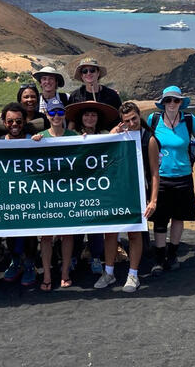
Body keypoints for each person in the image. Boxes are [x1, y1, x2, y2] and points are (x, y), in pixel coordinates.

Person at [94, 101, 160, 292]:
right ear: (122, 122)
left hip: (138, 192)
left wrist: (153, 200)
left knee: (134, 234)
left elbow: (155, 173)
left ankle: (133, 275)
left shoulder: (150, 139)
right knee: (111, 233)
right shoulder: (119, 136)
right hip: (116, 191)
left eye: (134, 118)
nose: (132, 123)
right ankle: (109, 273)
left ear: (139, 115)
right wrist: (113, 135)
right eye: (127, 120)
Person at [147, 86, 195, 276]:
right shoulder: (153, 120)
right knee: (160, 220)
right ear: (162, 103)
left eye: (175, 100)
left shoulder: (189, 120)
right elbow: (141, 141)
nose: (171, 104)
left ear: (181, 102)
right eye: (168, 100)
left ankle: (173, 254)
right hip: (160, 178)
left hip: (184, 177)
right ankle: (159, 259)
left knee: (178, 218)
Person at [64, 100, 117, 275]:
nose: (90, 118)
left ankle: (95, 258)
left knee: (96, 226)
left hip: (98, 187)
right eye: (86, 115)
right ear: (81, 118)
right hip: (76, 187)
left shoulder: (105, 134)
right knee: (77, 225)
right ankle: (74, 257)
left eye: (93, 115)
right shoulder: (70, 135)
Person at [32, 98, 79, 290]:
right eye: (53, 113)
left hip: (67, 193)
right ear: (47, 115)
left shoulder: (73, 136)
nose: (56, 116)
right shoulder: (39, 137)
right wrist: (31, 143)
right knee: (46, 237)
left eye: (60, 112)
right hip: (45, 194)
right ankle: (48, 275)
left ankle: (65, 272)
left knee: (67, 236)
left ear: (64, 115)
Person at [0, 102, 39, 286]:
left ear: (24, 121)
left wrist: (41, 142)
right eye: (10, 121)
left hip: (30, 196)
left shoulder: (34, 139)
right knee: (11, 234)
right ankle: (16, 261)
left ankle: (30, 264)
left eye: (19, 122)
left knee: (30, 234)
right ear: (4, 122)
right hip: (7, 197)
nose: (14, 125)